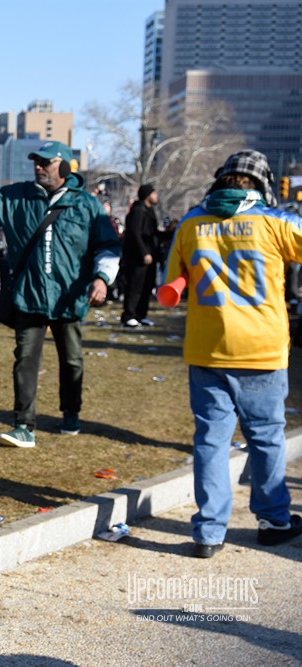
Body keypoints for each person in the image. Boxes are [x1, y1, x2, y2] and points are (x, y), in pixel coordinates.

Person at [165, 150, 302, 558]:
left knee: (211, 440)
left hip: (208, 349)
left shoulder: (191, 222)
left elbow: (170, 281)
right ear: (262, 183)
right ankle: (273, 520)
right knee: (266, 438)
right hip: (261, 348)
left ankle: (209, 531)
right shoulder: (274, 221)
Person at [0, 135, 120, 447]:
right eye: (36, 162)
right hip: (29, 295)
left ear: (65, 166)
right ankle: (23, 424)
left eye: (46, 162)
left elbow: (108, 246)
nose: (39, 167)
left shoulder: (86, 205)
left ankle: (71, 412)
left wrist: (102, 279)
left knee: (72, 360)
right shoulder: (16, 197)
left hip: (68, 298)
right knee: (25, 359)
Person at [121, 183, 160, 327]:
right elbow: (135, 234)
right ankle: (129, 315)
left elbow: (153, 233)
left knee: (147, 286)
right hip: (138, 257)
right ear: (147, 195)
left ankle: (141, 314)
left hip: (150, 255)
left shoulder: (150, 211)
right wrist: (144, 252)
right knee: (135, 286)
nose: (156, 196)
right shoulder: (137, 211)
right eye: (154, 193)